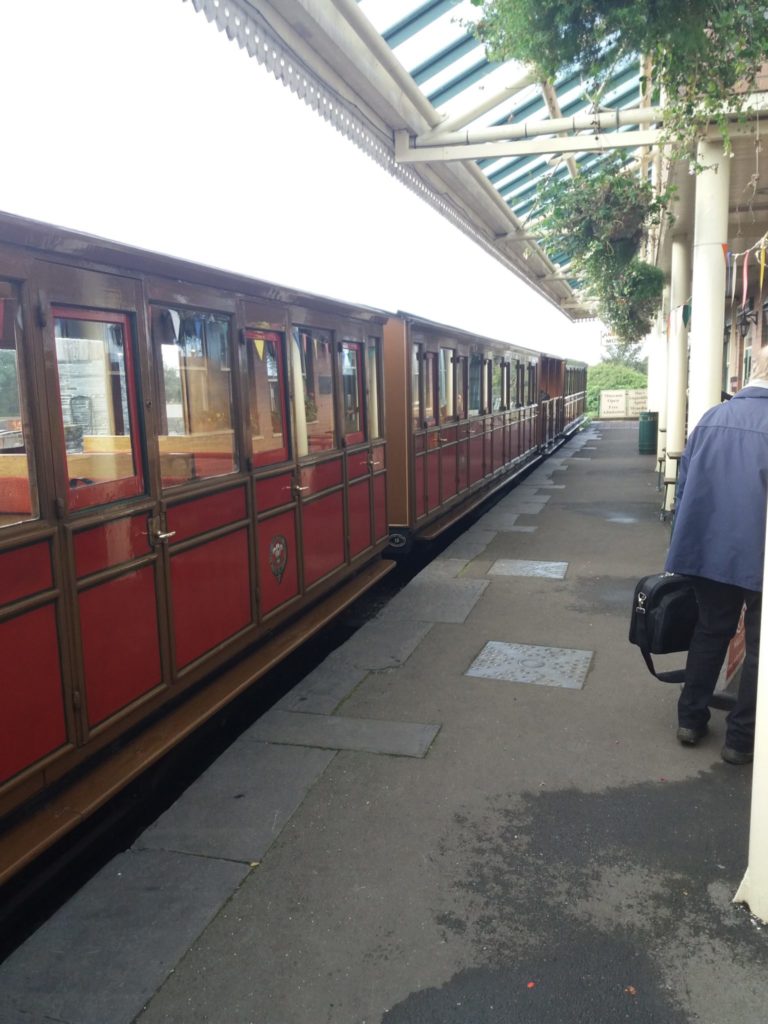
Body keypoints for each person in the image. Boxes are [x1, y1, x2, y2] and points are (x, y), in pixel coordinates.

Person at [665, 347, 768, 764]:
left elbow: (685, 487)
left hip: (708, 549)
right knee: (761, 649)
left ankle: (690, 718)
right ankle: (741, 741)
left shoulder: (711, 418)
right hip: (759, 555)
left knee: (710, 631)